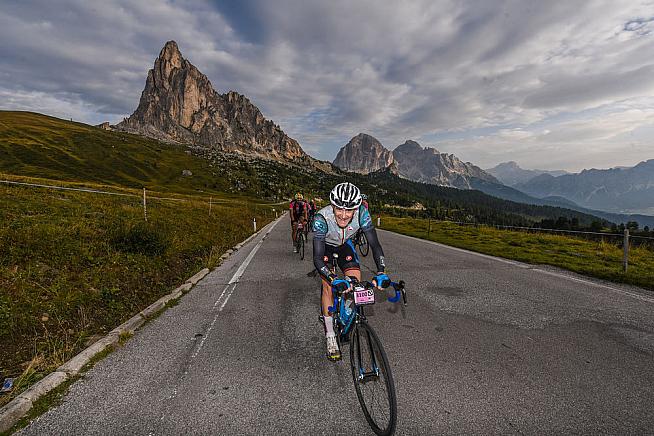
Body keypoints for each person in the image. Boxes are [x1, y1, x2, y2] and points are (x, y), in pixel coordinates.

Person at [312, 182, 390, 361]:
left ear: (356, 208)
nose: (343, 215)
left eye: (349, 210)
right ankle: (330, 335)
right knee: (328, 287)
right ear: (332, 205)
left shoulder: (362, 214)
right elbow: (317, 259)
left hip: (345, 246)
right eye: (339, 209)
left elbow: (375, 245)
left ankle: (346, 309)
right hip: (325, 249)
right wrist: (333, 278)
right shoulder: (321, 218)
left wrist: (381, 271)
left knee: (355, 283)